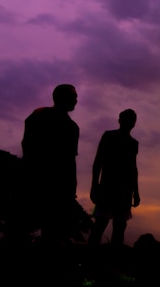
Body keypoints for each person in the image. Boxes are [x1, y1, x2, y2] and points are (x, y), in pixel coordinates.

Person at [21, 84, 80, 245]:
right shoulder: (41, 116)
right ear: (60, 98)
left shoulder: (71, 126)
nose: (76, 100)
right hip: (41, 181)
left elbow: (70, 160)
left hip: (52, 184)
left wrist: (71, 187)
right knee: (41, 228)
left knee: (49, 229)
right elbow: (28, 145)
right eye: (73, 97)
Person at [88, 109, 140, 246]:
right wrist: (94, 185)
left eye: (131, 120)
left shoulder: (133, 143)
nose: (129, 122)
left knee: (120, 226)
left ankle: (113, 260)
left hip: (124, 190)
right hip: (107, 187)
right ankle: (92, 259)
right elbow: (98, 161)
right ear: (120, 120)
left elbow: (133, 168)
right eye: (127, 119)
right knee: (101, 223)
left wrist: (136, 191)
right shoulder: (109, 136)